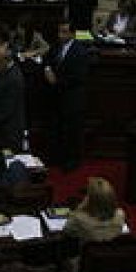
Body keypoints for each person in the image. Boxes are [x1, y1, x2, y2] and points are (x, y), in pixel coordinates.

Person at [43, 20, 89, 170]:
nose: (60, 35)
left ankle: (71, 161)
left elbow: (78, 77)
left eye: (64, 32)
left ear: (72, 34)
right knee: (57, 129)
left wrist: (56, 81)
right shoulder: (56, 47)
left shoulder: (79, 51)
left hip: (72, 98)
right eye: (59, 31)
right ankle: (57, 157)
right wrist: (48, 69)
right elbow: (47, 59)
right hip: (57, 97)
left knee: (71, 132)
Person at [64, 176, 126, 242]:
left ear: (89, 199)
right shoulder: (120, 214)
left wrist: (79, 209)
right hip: (111, 250)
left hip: (84, 251)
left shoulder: (78, 217)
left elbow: (67, 232)